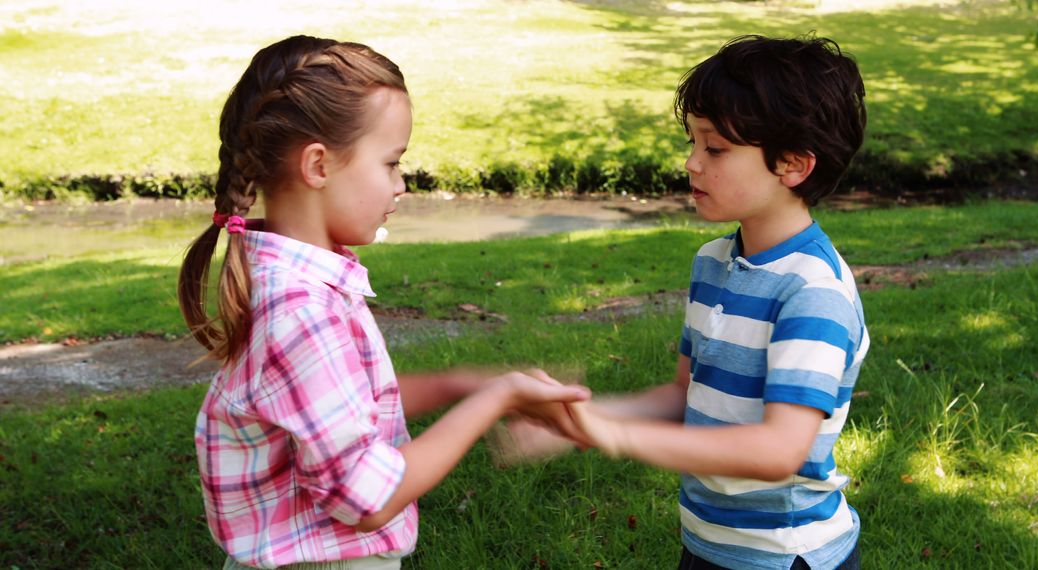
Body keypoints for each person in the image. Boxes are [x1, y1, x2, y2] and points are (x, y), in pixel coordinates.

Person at [177, 35, 590, 569]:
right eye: (391, 163)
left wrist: (465, 384)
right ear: (319, 166)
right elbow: (366, 498)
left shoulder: (289, 282)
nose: (401, 185)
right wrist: (496, 401)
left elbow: (343, 412)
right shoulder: (303, 311)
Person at [502, 35, 869, 569]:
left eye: (715, 148)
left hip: (784, 556)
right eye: (692, 142)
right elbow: (683, 397)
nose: (692, 163)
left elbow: (778, 451)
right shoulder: (714, 262)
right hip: (707, 543)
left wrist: (618, 435)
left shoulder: (812, 291)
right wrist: (578, 416)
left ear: (792, 164)